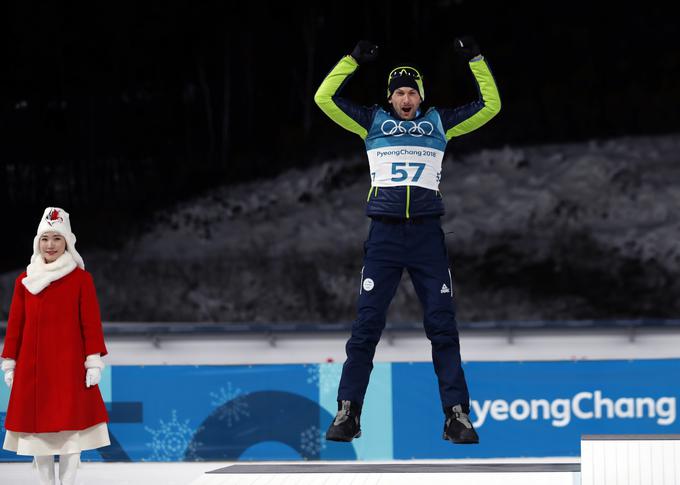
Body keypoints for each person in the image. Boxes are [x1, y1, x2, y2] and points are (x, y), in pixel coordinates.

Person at [314, 37, 501, 444]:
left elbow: (491, 106)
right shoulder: (371, 121)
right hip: (383, 236)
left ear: (421, 96)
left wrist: (476, 60)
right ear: (390, 97)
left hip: (426, 238)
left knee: (442, 326)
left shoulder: (438, 123)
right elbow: (324, 98)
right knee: (366, 327)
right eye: (399, 91)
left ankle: (456, 416)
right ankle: (349, 412)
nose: (406, 97)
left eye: (412, 91)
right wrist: (350, 61)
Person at [1, 207, 110, 485]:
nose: (50, 244)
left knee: (71, 436)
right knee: (37, 438)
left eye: (57, 238)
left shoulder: (80, 280)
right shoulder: (24, 281)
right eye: (45, 238)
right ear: (38, 242)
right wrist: (10, 362)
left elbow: (90, 324)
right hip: (34, 372)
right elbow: (15, 326)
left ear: (67, 243)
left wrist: (93, 360)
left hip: (69, 370)